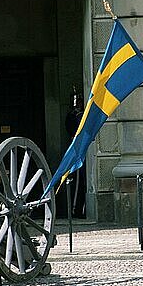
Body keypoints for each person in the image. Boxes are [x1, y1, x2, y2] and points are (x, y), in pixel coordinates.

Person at [64, 87, 86, 218]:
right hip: (77, 150)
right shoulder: (74, 115)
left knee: (81, 181)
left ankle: (80, 209)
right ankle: (76, 210)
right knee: (77, 181)